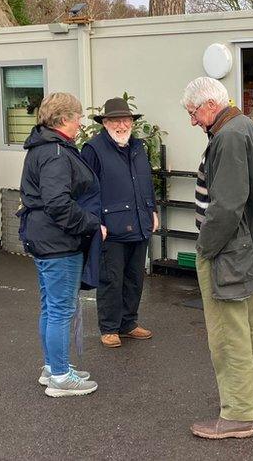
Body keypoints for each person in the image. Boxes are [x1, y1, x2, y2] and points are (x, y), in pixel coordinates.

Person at [181, 77, 253, 440]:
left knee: (228, 335)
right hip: (245, 250)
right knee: (246, 328)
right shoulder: (247, 127)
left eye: (193, 112)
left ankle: (238, 415)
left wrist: (205, 246)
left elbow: (227, 204)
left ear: (210, 105)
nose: (193, 120)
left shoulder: (228, 136)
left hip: (228, 252)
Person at [18, 92, 102, 398]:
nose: (80, 123)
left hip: (44, 238)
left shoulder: (43, 147)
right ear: (64, 119)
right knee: (60, 310)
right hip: (58, 243)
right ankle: (61, 377)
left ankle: (53, 366)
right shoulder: (55, 152)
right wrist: (92, 224)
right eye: (78, 117)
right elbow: (57, 203)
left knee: (50, 307)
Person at [81, 98, 158, 348]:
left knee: (135, 276)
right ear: (105, 123)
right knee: (111, 279)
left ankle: (128, 323)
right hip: (110, 228)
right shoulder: (93, 150)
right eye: (116, 120)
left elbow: (145, 183)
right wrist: (96, 222)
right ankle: (109, 327)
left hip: (140, 221)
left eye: (126, 120)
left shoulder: (138, 147)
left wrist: (153, 210)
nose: (122, 125)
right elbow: (86, 192)